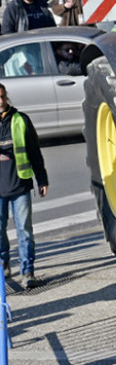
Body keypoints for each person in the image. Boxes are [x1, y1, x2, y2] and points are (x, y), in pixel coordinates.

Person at [0, 84, 48, 289]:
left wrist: (42, 179)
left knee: (24, 231)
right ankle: (4, 264)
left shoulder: (20, 120)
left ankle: (27, 271)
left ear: (6, 97)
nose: (0, 101)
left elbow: (34, 151)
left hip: (20, 185)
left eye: (2, 97)